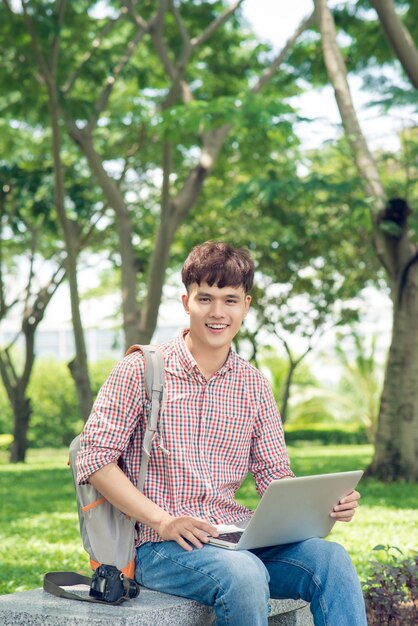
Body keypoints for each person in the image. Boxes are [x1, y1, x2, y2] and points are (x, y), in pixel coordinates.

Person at [77, 241, 367, 626]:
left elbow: (273, 474)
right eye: (205, 298)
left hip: (234, 536)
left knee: (331, 559)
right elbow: (95, 460)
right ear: (186, 302)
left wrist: (321, 505)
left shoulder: (253, 385)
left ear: (245, 305)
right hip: (158, 545)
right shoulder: (140, 371)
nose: (217, 312)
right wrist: (165, 521)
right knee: (244, 573)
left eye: (230, 300)